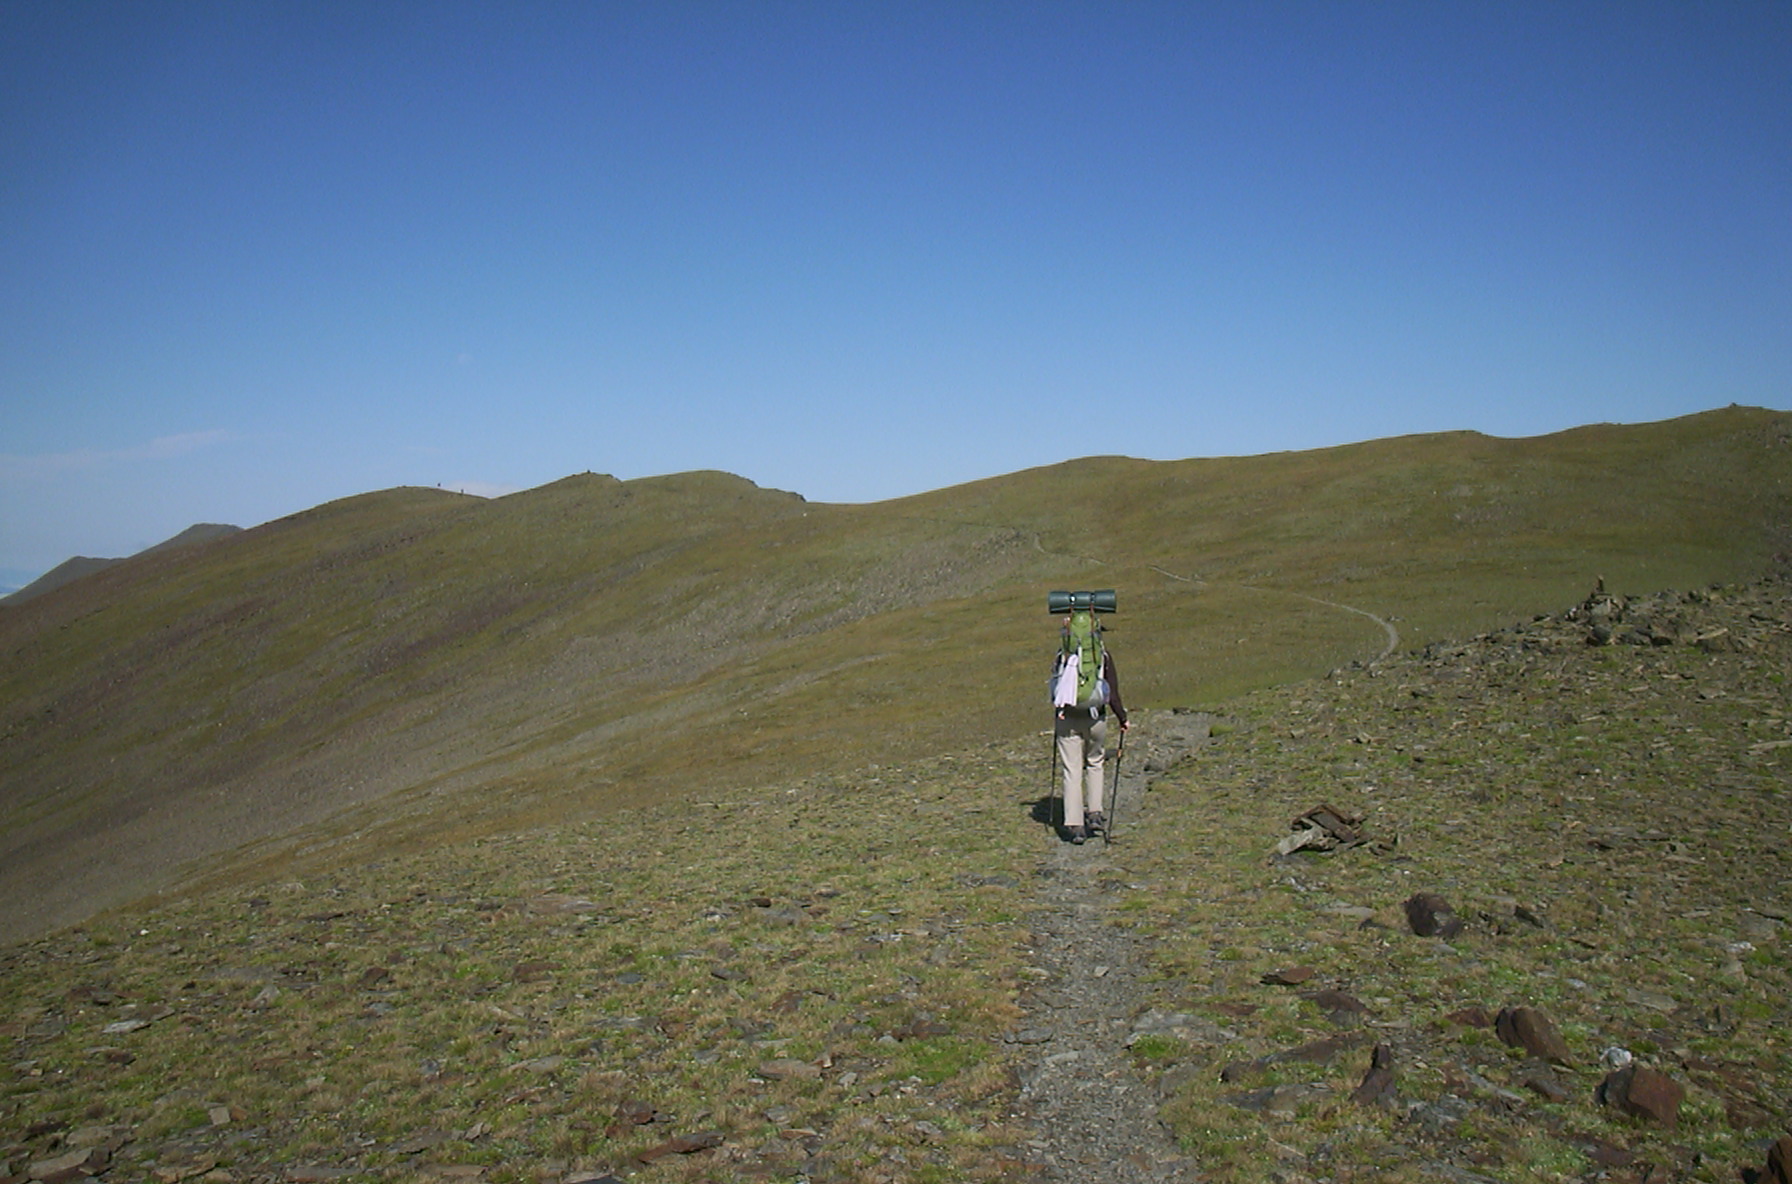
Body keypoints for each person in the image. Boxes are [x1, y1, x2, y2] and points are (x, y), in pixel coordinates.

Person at [1053, 617, 1128, 844]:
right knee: (1095, 762)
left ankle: (1075, 825)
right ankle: (1094, 813)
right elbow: (1112, 693)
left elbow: (1055, 687)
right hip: (1096, 717)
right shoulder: (1102, 656)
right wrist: (1122, 718)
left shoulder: (1062, 655)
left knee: (1072, 770)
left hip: (1067, 719)